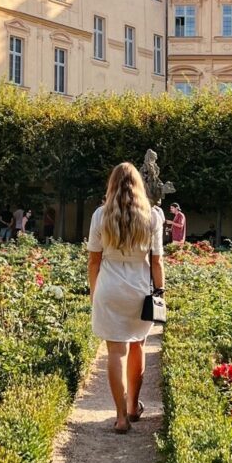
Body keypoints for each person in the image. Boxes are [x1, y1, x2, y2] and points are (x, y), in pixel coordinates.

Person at [87, 162, 165, 434]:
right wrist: (160, 293)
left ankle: (120, 417)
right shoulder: (153, 216)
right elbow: (157, 263)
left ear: (111, 185)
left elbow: (94, 262)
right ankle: (133, 407)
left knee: (115, 352)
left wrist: (94, 293)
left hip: (109, 288)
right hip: (139, 289)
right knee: (137, 347)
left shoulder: (100, 215)